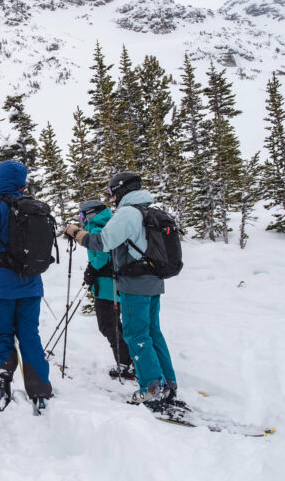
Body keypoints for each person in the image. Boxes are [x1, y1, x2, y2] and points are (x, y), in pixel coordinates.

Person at [64, 172, 176, 407]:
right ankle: (166, 382)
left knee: (137, 335)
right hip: (152, 280)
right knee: (152, 332)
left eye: (113, 192)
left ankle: (152, 388)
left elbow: (102, 242)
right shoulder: (146, 211)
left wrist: (77, 233)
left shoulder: (127, 213)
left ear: (120, 191)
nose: (112, 197)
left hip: (135, 283)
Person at [0, 160, 54, 412]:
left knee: (2, 334)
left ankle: (3, 383)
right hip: (31, 285)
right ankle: (40, 389)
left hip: (2, 286)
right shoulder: (35, 208)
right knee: (30, 335)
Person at [78, 200, 134, 380]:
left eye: (82, 215)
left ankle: (125, 362)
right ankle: (128, 360)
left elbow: (101, 257)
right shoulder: (110, 225)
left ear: (90, 214)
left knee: (107, 325)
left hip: (106, 286)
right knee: (115, 324)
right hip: (115, 284)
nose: (81, 219)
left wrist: (92, 270)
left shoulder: (96, 230)